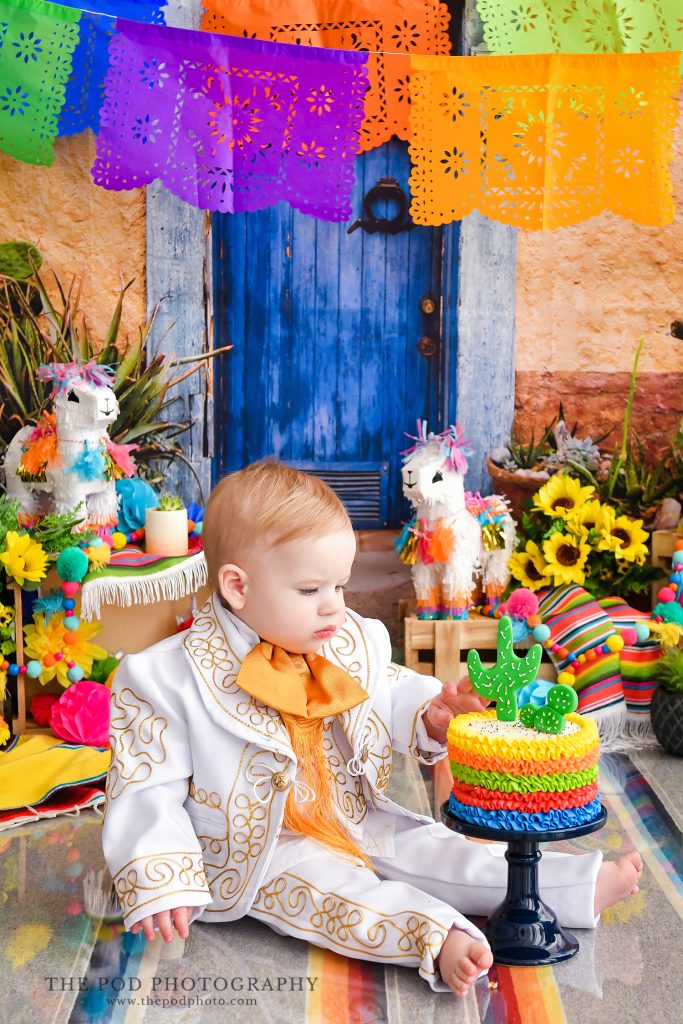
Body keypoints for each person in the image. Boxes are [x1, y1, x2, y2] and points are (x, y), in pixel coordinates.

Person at [102, 461, 642, 998]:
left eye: (340, 584)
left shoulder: (344, 639)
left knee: (435, 847)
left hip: (351, 814)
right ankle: (435, 935)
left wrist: (430, 713)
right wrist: (160, 875)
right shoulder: (166, 676)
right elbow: (146, 787)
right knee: (335, 893)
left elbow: (385, 689)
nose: (335, 606)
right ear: (238, 586)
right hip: (261, 851)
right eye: (311, 589)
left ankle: (573, 888)